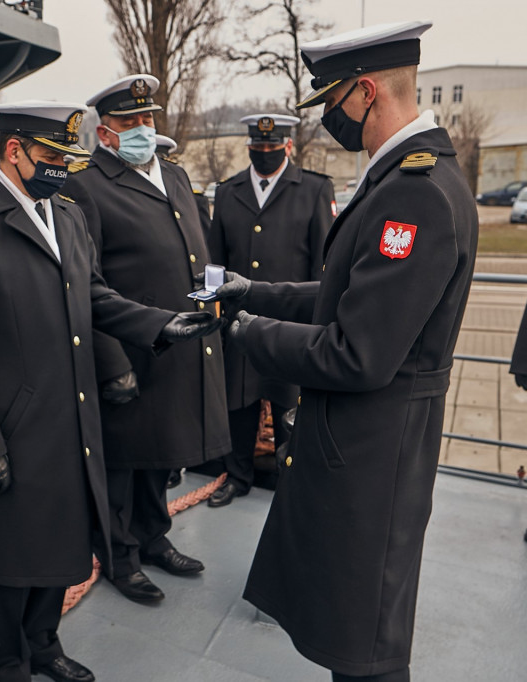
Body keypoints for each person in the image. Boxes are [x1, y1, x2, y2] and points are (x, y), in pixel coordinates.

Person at [217, 21, 478, 682]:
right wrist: (256, 293)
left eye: (331, 101)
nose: (328, 117)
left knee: (366, 656)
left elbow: (357, 352)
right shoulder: (399, 178)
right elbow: (345, 294)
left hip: (372, 459)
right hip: (365, 450)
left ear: (365, 91)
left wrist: (246, 335)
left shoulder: (415, 192)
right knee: (351, 640)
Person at [0, 101, 222, 682]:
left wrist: (159, 324)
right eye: (53, 157)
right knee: (16, 557)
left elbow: (95, 295)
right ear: (13, 152)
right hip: (14, 426)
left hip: (74, 417)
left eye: (68, 157)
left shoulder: (64, 213)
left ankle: (44, 644)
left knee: (63, 543)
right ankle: (10, 661)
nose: (63, 167)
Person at [62, 74, 231, 604]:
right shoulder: (86, 183)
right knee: (123, 462)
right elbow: (87, 281)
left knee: (163, 455)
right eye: (129, 122)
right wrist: (113, 362)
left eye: (147, 119)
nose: (142, 128)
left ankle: (154, 537)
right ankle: (120, 556)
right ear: (105, 133)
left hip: (180, 343)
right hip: (129, 349)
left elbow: (196, 253)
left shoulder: (175, 176)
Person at [206, 113, 335, 507]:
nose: (265, 153)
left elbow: (323, 266)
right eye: (258, 147)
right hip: (239, 322)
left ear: (288, 146)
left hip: (290, 325)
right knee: (239, 403)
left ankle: (290, 482)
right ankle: (238, 475)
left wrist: (319, 324)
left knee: (287, 407)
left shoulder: (313, 189)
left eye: (272, 147)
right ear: (249, 147)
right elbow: (216, 258)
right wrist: (215, 311)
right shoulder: (229, 191)